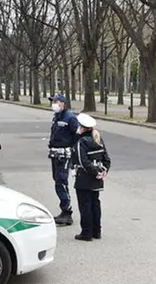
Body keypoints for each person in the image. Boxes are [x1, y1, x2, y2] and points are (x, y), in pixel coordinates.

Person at [72, 113, 111, 241]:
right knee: (95, 204)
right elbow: (106, 159)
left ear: (83, 128)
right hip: (97, 179)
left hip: (84, 178)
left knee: (85, 205)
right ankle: (97, 231)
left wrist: (94, 172)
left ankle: (86, 232)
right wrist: (103, 171)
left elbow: (83, 162)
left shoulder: (81, 142)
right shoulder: (98, 139)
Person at [47, 93, 79, 226]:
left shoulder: (70, 118)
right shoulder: (57, 117)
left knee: (61, 182)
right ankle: (64, 209)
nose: (53, 104)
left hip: (64, 155)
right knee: (57, 180)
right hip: (55, 154)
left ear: (63, 104)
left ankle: (67, 211)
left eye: (56, 102)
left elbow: (77, 136)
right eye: (53, 101)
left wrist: (73, 152)